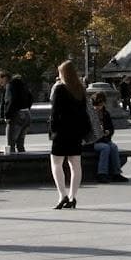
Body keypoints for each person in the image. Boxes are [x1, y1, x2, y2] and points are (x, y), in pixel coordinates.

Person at [49, 59, 92, 209]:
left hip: (61, 132)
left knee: (56, 163)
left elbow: (55, 113)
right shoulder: (80, 90)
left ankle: (62, 195)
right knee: (75, 165)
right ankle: (73, 196)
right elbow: (84, 113)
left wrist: (53, 131)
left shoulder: (60, 89)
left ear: (64, 74)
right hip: (76, 132)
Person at [90, 91, 128, 183]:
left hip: (104, 139)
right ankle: (102, 173)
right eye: (96, 105)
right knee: (105, 148)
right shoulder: (90, 115)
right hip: (91, 143)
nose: (98, 107)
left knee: (113, 147)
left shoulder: (105, 113)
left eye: (100, 105)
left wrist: (108, 132)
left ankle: (116, 173)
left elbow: (111, 128)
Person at [0, 70, 32, 153]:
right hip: (27, 114)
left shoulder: (10, 85)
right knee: (20, 144)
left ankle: (11, 160)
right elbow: (30, 97)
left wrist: (7, 116)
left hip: (16, 115)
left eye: (0, 81)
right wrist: (26, 107)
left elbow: (10, 101)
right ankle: (23, 159)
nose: (1, 84)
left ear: (4, 77)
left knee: (10, 145)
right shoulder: (22, 84)